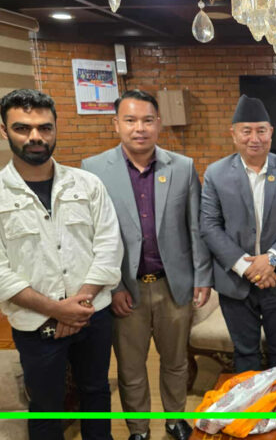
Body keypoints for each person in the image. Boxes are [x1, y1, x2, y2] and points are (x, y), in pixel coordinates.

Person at [82, 90, 213, 440]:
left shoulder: (182, 167)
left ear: (158, 123)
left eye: (147, 120)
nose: (139, 128)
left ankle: (175, 419)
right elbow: (92, 236)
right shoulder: (93, 170)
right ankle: (138, 429)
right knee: (130, 367)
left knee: (176, 361)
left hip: (174, 285)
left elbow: (195, 228)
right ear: (116, 124)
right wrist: (113, 287)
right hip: (125, 289)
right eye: (130, 120)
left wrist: (202, 276)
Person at [0, 89, 123, 439]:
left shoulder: (87, 184)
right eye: (22, 128)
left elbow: (109, 246)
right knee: (46, 405)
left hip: (92, 314)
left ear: (56, 129)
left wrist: (77, 305)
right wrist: (56, 310)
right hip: (35, 322)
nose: (35, 136)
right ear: (4, 131)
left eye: (44, 127)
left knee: (96, 392)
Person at [200, 94, 276, 373]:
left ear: (271, 132)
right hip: (235, 281)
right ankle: (252, 403)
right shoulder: (215, 173)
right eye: (246, 131)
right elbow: (209, 225)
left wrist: (271, 260)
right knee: (245, 352)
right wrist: (246, 267)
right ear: (233, 134)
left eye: (261, 130)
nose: (254, 138)